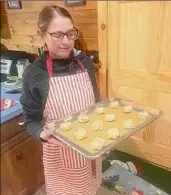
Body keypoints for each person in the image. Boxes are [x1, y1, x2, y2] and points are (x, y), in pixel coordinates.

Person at [20, 5, 102, 195]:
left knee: (92, 189)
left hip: (90, 148)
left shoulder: (85, 64)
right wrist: (41, 134)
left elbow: (96, 105)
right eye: (57, 35)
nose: (66, 42)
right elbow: (29, 121)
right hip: (61, 155)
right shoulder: (34, 74)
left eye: (70, 33)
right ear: (42, 35)